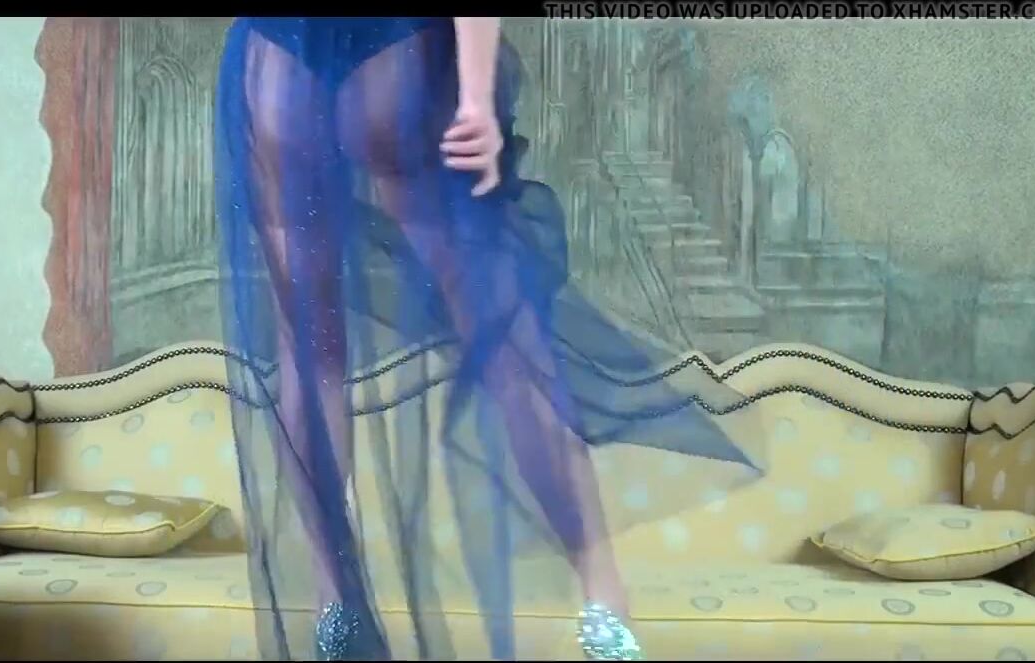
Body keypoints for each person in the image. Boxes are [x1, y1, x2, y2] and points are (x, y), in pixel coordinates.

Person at [214, 17, 763, 661]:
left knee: (310, 353)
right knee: (503, 334)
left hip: (277, 62)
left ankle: (335, 608)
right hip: (394, 51)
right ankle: (604, 602)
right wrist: (475, 95)